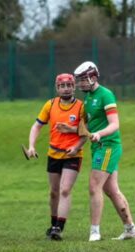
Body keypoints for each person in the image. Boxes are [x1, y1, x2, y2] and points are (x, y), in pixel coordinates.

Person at [73, 61, 135, 242]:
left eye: (83, 80)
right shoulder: (88, 98)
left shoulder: (106, 95)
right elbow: (88, 127)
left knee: (94, 187)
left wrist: (99, 134)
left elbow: (114, 125)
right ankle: (130, 229)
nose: (80, 84)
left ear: (93, 77)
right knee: (111, 190)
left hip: (108, 146)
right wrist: (77, 146)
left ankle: (95, 231)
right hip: (99, 147)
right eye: (79, 81)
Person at [27, 73, 87, 241]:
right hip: (53, 154)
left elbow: (85, 133)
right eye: (62, 86)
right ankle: (53, 224)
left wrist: (76, 148)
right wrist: (31, 146)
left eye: (69, 85)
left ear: (74, 86)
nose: (66, 88)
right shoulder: (50, 105)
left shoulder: (82, 107)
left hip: (73, 155)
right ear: (57, 88)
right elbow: (36, 126)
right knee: (54, 192)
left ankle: (59, 228)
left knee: (65, 190)